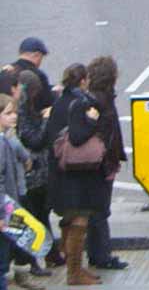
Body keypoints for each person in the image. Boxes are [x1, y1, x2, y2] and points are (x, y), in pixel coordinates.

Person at [46, 64, 102, 286]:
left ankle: (76, 268)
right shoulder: (79, 103)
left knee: (70, 220)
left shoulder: (59, 102)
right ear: (82, 81)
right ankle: (74, 272)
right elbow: (78, 137)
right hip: (75, 175)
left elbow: (50, 135)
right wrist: (92, 120)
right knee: (79, 220)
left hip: (60, 171)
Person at [17, 70, 65, 271]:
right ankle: (37, 259)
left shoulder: (26, 110)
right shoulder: (19, 113)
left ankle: (49, 254)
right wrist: (46, 119)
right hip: (32, 175)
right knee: (36, 216)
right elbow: (35, 140)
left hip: (39, 175)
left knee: (41, 214)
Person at [85, 57, 127, 271]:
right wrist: (111, 161)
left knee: (96, 211)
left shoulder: (93, 97)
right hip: (102, 165)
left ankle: (96, 254)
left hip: (98, 164)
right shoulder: (101, 101)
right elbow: (106, 135)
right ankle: (102, 256)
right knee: (100, 211)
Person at [0, 94, 22, 290]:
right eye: (8, 113)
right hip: (4, 213)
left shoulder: (5, 139)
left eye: (14, 112)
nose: (14, 116)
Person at [12, 39, 54, 113]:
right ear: (37, 55)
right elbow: (47, 103)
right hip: (29, 118)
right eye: (42, 57)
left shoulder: (5, 71)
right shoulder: (38, 75)